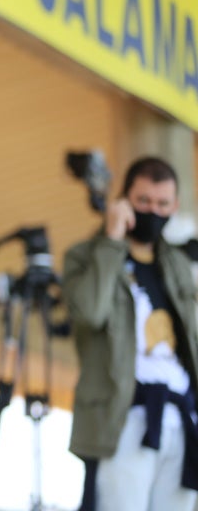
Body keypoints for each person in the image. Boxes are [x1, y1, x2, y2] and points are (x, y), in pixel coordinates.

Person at [62, 156, 198, 511]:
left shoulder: (180, 265)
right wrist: (112, 239)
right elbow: (90, 312)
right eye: (144, 201)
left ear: (175, 206)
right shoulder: (87, 255)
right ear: (125, 200)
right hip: (124, 415)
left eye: (162, 204)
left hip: (182, 418)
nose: (153, 211)